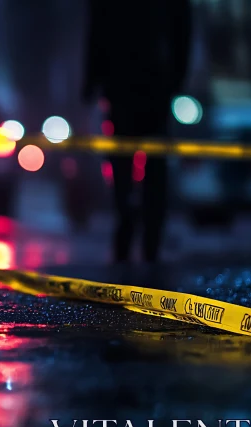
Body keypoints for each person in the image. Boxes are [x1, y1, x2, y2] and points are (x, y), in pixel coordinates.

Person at [83, 0, 192, 263]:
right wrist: (176, 77)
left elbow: (96, 34)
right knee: (149, 165)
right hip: (149, 85)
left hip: (128, 86)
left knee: (129, 163)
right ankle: (144, 234)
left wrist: (91, 82)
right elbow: (183, 30)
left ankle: (133, 228)